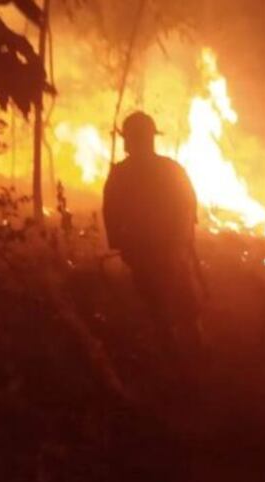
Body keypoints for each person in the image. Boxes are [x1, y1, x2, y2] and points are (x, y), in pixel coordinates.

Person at [103, 111, 202, 355]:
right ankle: (192, 345)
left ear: (131, 140)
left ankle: (173, 346)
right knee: (182, 298)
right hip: (169, 249)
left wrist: (119, 244)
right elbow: (189, 205)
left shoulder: (120, 173)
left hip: (144, 251)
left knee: (157, 301)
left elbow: (111, 212)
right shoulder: (171, 168)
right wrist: (184, 239)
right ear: (150, 138)